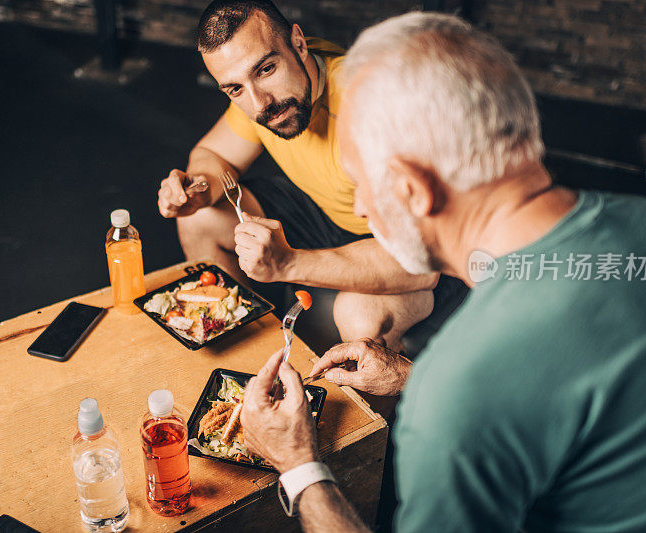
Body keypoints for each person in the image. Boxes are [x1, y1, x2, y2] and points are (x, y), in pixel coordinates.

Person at [240, 12, 646, 532]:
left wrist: (298, 465)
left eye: (360, 183)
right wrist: (408, 376)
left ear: (413, 189)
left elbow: (494, 387)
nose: (361, 207)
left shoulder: (458, 392)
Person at [156, 0, 440, 352]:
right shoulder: (259, 92)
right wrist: (199, 188)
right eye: (235, 89)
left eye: (266, 70)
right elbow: (213, 155)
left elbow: (420, 261)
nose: (260, 104)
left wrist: (288, 263)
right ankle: (246, 356)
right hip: (326, 213)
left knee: (359, 316)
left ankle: (375, 405)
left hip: (411, 249)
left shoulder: (370, 106)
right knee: (200, 219)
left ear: (299, 43)